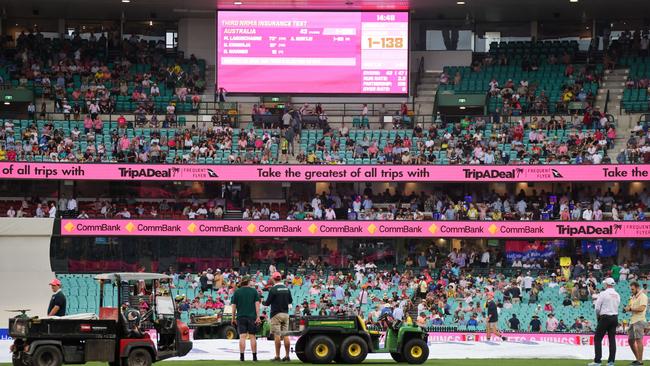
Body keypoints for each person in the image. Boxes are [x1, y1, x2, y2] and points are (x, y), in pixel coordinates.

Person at [589, 278, 620, 366]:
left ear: (607, 284)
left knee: (597, 338)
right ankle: (611, 361)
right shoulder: (617, 294)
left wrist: (598, 316)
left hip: (605, 317)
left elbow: (597, 307)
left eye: (605, 284)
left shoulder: (603, 293)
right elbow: (617, 305)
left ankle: (597, 361)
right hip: (614, 317)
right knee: (612, 339)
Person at [263, 272, 293, 362]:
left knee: (277, 336)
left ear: (273, 279)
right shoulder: (287, 289)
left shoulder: (273, 289)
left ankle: (277, 356)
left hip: (276, 314)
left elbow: (267, 303)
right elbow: (290, 301)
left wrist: (262, 302)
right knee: (286, 335)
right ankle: (287, 356)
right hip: (285, 314)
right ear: (280, 278)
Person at [231, 276, 261, 362]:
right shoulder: (254, 291)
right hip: (252, 317)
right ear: (248, 282)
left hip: (241, 317)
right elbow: (257, 305)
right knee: (252, 337)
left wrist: (233, 318)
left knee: (242, 337)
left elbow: (233, 306)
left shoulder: (237, 292)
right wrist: (258, 316)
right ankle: (254, 357)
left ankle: (242, 357)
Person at [625, 281, 647, 366]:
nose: (632, 290)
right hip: (633, 320)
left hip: (639, 320)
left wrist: (630, 309)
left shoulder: (643, 296)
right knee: (630, 341)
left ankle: (640, 361)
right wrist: (627, 308)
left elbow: (642, 308)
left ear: (637, 288)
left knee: (638, 340)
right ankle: (638, 359)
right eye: (631, 289)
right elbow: (630, 306)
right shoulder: (633, 297)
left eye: (633, 289)